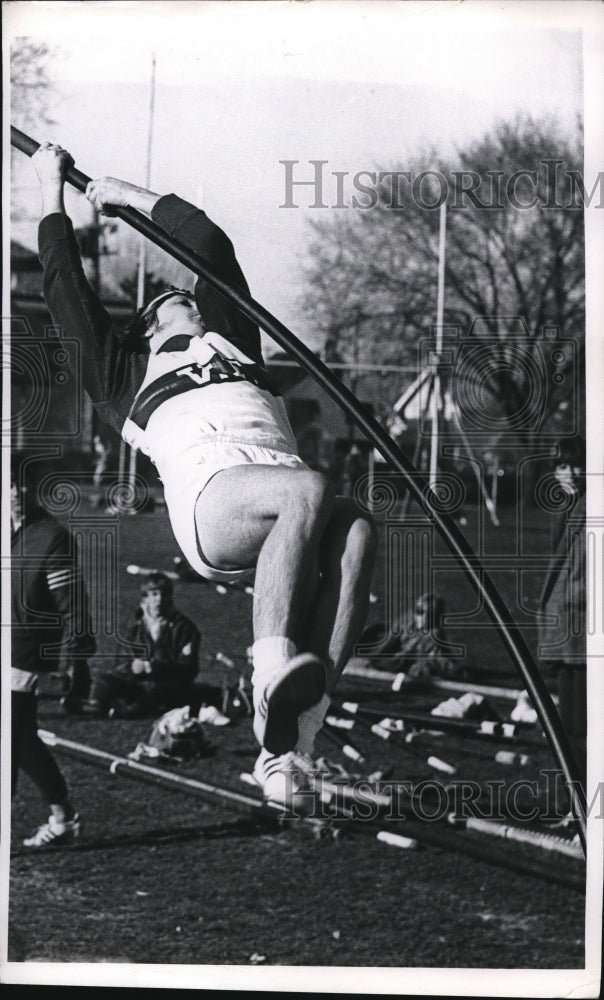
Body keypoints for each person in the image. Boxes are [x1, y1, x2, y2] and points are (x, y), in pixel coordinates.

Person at [31, 143, 377, 810]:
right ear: (147, 327)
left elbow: (209, 245)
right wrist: (52, 190)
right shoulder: (123, 375)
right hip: (216, 503)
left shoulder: (235, 345)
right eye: (171, 301)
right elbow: (64, 288)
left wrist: (128, 191)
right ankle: (271, 676)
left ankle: (292, 748)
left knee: (359, 529)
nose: (185, 297)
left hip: (280, 495)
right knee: (310, 490)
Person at [11, 453, 96, 847]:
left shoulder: (50, 536)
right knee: (22, 740)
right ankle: (65, 818)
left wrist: (77, 662)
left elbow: (73, 606)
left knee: (10, 742)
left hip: (23, 657)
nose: (14, 492)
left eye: (22, 484)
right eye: (7, 483)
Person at [84, 573, 201, 718]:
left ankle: (128, 711)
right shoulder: (134, 626)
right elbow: (120, 661)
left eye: (164, 594)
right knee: (102, 678)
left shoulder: (184, 628)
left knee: (165, 690)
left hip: (167, 686)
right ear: (145, 598)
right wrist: (133, 667)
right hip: (136, 683)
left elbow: (188, 668)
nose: (159, 599)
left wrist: (156, 667)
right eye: (154, 594)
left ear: (171, 597)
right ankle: (94, 705)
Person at [538, 444, 587, 787]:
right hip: (567, 628)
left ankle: (586, 805)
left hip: (585, 631)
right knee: (568, 724)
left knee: (583, 725)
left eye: (576, 466)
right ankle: (576, 800)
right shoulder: (570, 505)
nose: (569, 473)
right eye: (562, 466)